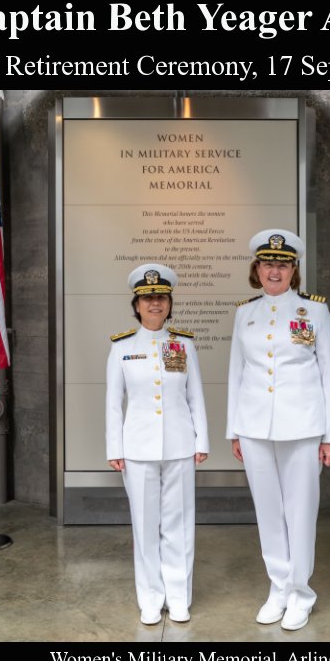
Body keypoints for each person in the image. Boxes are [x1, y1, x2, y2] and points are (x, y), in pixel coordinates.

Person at [226, 229, 330, 631]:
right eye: (267, 263)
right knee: (268, 511)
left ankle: (300, 592)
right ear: (256, 268)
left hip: (304, 425)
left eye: (282, 264)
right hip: (255, 425)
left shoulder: (315, 311)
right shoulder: (246, 312)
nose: (273, 271)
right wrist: (234, 430)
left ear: (293, 270)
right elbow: (236, 374)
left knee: (300, 510)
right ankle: (277, 588)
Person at [106, 263, 209, 625]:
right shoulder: (121, 347)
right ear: (136, 304)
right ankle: (150, 597)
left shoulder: (183, 343)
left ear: (169, 303)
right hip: (137, 448)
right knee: (145, 525)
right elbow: (112, 401)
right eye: (148, 298)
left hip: (180, 444)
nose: (155, 303)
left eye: (161, 297)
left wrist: (202, 439)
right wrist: (114, 449)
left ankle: (179, 596)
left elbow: (195, 394)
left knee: (179, 524)